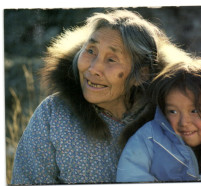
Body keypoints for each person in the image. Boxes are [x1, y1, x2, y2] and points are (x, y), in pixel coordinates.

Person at [11, 9, 191, 184]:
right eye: (90, 51)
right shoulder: (53, 114)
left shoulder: (172, 121)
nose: (93, 68)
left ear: (142, 74)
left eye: (111, 59)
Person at [116, 50, 201, 182]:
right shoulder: (148, 140)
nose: (184, 122)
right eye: (173, 111)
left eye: (194, 111)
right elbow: (130, 178)